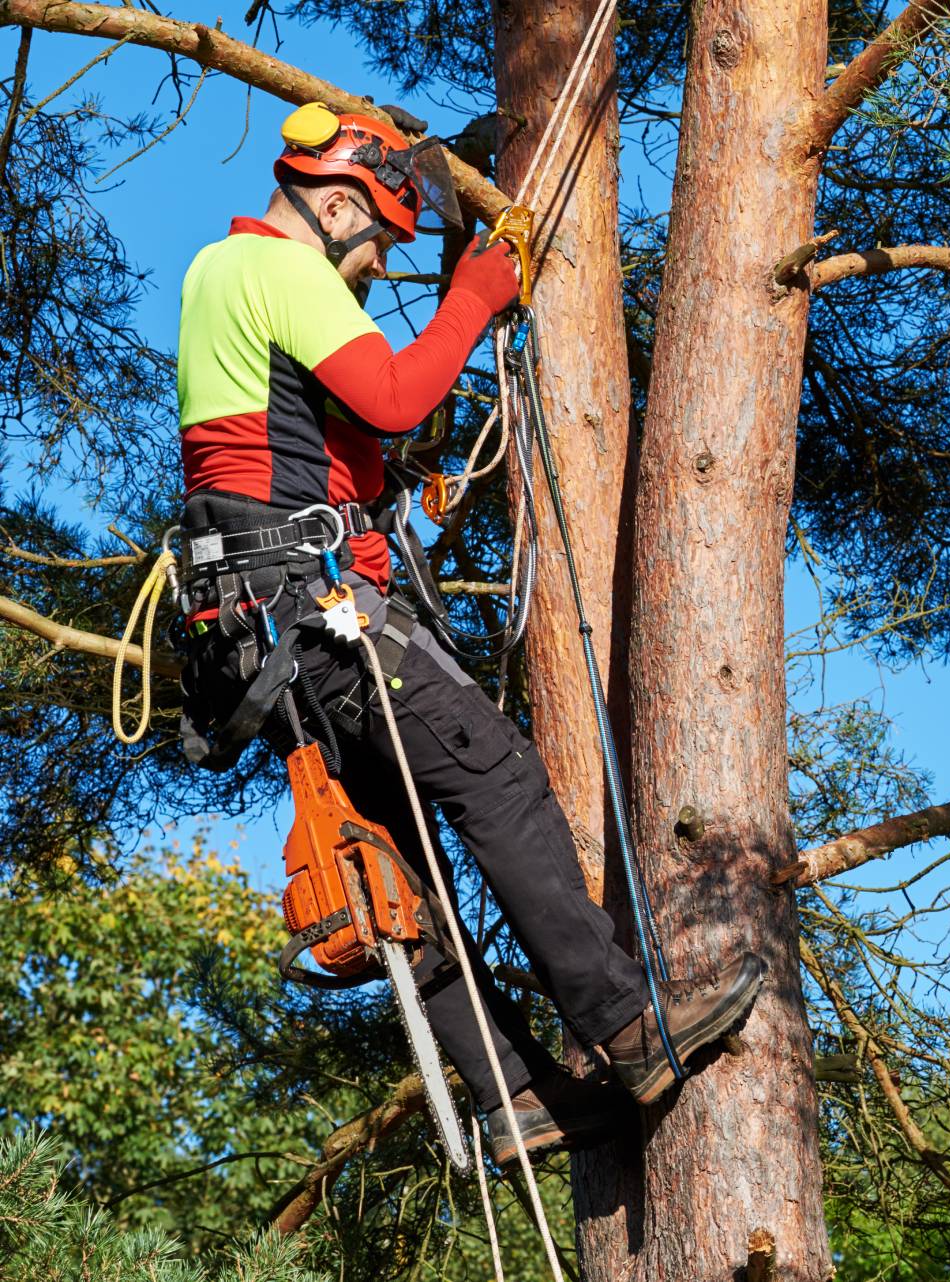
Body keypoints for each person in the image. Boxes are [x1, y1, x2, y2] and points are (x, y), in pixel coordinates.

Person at [173, 106, 764, 1164]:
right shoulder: (273, 266)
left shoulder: (220, 283)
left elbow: (319, 442)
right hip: (308, 616)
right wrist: (474, 296)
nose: (372, 267)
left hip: (259, 630)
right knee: (494, 775)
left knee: (403, 869)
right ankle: (630, 1026)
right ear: (338, 203)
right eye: (376, 245)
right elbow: (394, 396)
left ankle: (515, 1097)